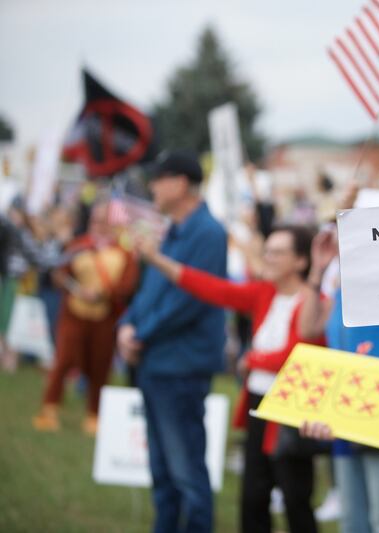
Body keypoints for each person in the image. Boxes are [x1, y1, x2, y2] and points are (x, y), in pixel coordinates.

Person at [138, 224, 324, 533]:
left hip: (293, 410)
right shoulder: (264, 292)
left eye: (278, 252)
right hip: (257, 404)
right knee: (252, 495)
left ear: (300, 262)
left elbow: (301, 352)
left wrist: (253, 359)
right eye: (268, 250)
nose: (269, 258)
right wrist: (158, 261)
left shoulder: (313, 300)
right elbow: (213, 288)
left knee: (295, 498)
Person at [117, 150, 227, 533]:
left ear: (180, 183)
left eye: (159, 178)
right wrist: (126, 326)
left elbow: (190, 299)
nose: (152, 187)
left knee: (186, 472)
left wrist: (139, 334)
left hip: (180, 367)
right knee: (163, 472)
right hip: (157, 364)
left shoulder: (207, 233)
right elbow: (151, 290)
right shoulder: (172, 230)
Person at [299, 191, 379, 533]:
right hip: (346, 414)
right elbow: (308, 329)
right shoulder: (342, 282)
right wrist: (318, 269)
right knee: (353, 522)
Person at [33, 202, 139, 433]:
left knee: (99, 365)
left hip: (105, 316)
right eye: (96, 220)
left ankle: (94, 414)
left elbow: (127, 284)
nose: (99, 226)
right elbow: (60, 274)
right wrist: (70, 286)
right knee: (63, 360)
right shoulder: (78, 246)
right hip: (74, 312)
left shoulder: (124, 253)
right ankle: (50, 409)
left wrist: (103, 293)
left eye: (104, 221)